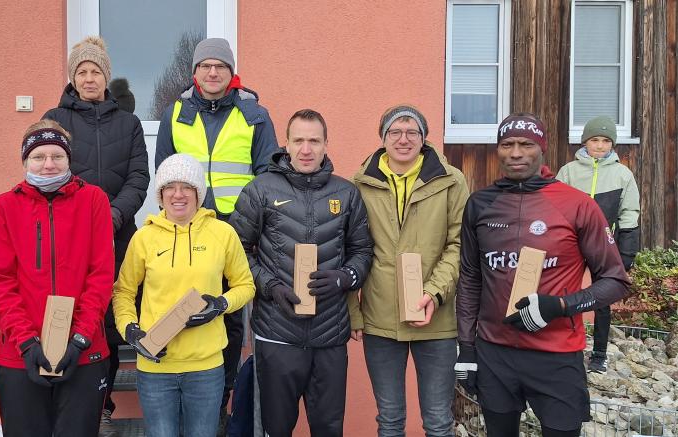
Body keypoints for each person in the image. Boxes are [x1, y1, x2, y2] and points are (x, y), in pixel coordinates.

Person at [454, 113, 631, 437]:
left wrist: (560, 306)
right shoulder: (480, 204)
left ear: (542, 149)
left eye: (526, 144)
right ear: (499, 150)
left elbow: (615, 280)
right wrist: (466, 348)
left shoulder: (577, 205)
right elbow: (469, 278)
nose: (516, 153)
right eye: (507, 144)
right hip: (495, 352)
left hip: (556, 353)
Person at [154, 37, 279, 427]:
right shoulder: (177, 112)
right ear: (195, 72)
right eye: (206, 66)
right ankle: (178, 396)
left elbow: (268, 176)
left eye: (220, 66)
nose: (212, 72)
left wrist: (254, 225)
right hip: (185, 227)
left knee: (228, 315)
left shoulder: (254, 112)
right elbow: (164, 170)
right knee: (177, 302)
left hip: (236, 229)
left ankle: (220, 402)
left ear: (231, 72)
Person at [229, 109, 373, 436]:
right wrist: (269, 286)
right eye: (299, 141)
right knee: (276, 427)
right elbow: (235, 250)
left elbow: (363, 251)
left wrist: (346, 278)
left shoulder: (346, 193)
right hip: (276, 332)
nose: (306, 149)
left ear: (325, 145)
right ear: (286, 144)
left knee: (327, 427)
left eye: (314, 141)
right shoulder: (260, 190)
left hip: (330, 335)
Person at [41, 35, 150, 436]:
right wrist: (83, 217)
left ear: (107, 76)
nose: (90, 78)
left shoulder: (129, 123)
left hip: (119, 235)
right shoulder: (57, 118)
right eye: (82, 72)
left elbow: (139, 177)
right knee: (74, 317)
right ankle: (80, 406)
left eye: (96, 71)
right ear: (73, 77)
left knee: (110, 319)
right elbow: (50, 172)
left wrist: (115, 213)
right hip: (71, 237)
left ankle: (102, 403)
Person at [0, 120, 115, 436]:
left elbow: (101, 276)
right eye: (38, 156)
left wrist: (80, 338)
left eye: (57, 156)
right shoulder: (6, 205)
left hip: (84, 353)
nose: (48, 164)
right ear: (25, 161)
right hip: (20, 355)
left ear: (69, 159)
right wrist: (27, 343)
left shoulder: (94, 199)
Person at [113, 153, 256, 437]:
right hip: (155, 367)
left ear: (198, 192)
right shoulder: (143, 238)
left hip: (206, 368)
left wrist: (221, 304)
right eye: (170, 187)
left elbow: (246, 285)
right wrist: (130, 330)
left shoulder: (223, 233)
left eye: (186, 187)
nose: (178, 194)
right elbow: (124, 292)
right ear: (161, 193)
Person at [349, 105, 469, 437]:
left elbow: (459, 245)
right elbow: (351, 252)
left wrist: (433, 292)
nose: (404, 139)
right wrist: (354, 313)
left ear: (424, 137)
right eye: (395, 132)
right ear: (383, 138)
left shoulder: (451, 181)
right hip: (380, 319)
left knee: (438, 420)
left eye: (412, 132)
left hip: (436, 321)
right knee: (389, 419)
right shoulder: (360, 184)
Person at [554, 115, 640, 374]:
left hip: (604, 244)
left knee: (601, 299)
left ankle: (599, 353)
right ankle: (562, 345)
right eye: (595, 140)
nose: (600, 146)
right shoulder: (569, 171)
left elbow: (629, 213)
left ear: (612, 144)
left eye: (605, 141)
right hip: (570, 243)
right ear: (585, 142)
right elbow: (554, 206)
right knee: (564, 293)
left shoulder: (623, 175)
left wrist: (626, 252)